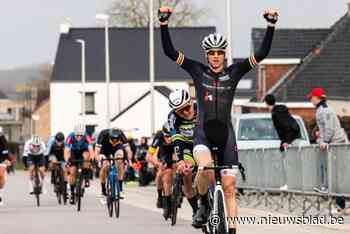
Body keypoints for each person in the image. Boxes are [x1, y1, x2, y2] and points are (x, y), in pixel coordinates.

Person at [159, 6, 277, 233]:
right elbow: (169, 51)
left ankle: (232, 230)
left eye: (219, 52)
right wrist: (163, 23)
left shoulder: (234, 72)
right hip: (202, 133)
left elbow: (261, 54)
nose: (215, 56)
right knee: (204, 168)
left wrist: (270, 26)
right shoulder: (197, 70)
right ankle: (203, 204)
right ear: (207, 55)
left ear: (224, 54)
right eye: (211, 53)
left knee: (230, 188)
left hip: (226, 134)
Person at [308, 88, 348, 214]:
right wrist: (321, 135)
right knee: (335, 174)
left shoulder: (325, 110)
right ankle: (338, 203)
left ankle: (340, 205)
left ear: (317, 98)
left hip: (337, 144)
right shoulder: (322, 110)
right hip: (335, 144)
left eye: (312, 97)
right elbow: (326, 127)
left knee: (337, 175)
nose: (310, 99)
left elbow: (330, 128)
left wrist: (324, 140)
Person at [168, 89, 199, 219]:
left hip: (204, 142)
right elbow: (176, 140)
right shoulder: (173, 117)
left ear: (191, 102)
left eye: (187, 107)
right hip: (186, 146)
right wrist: (180, 160)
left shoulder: (201, 108)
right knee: (186, 174)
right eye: (180, 111)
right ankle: (196, 210)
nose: (185, 112)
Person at [264, 94, 301, 190]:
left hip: (291, 139)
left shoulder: (276, 113)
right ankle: (292, 184)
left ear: (266, 103)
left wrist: (286, 141)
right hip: (294, 137)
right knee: (291, 162)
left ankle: (290, 184)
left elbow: (286, 127)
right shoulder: (280, 111)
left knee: (288, 163)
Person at [146, 123, 174, 219]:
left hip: (176, 152)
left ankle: (177, 192)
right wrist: (157, 164)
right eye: (167, 136)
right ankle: (160, 196)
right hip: (164, 154)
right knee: (161, 175)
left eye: (171, 136)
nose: (169, 139)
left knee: (172, 172)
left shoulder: (178, 133)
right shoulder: (159, 135)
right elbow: (148, 156)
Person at [95, 128, 133, 198]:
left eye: (117, 140)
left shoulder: (121, 134)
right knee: (105, 166)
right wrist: (99, 161)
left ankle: (120, 189)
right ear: (110, 137)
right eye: (113, 140)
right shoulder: (103, 134)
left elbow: (128, 150)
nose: (114, 142)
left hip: (117, 148)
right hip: (104, 149)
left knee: (120, 161)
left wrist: (129, 160)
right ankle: (103, 190)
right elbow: (96, 152)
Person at [64, 123, 94, 204]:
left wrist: (92, 159)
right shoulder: (70, 136)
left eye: (81, 135)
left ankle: (86, 177)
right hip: (74, 152)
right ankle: (73, 194)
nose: (79, 137)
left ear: (83, 134)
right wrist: (67, 161)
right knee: (72, 171)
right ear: (74, 133)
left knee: (86, 157)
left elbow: (91, 149)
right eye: (77, 135)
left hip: (83, 151)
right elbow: (66, 150)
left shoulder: (87, 136)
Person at [0, 127, 11, 205]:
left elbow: (6, 151)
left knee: (1, 176)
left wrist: (7, 159)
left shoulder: (3, 139)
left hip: (1, 159)